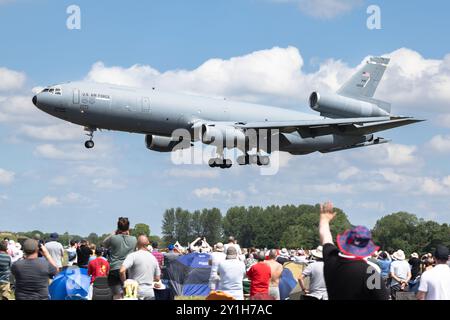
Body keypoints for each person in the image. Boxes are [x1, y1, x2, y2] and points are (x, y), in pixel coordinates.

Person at [319, 201, 388, 300]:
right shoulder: (370, 272)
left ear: (345, 243)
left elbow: (326, 238)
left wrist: (324, 220)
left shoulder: (331, 260)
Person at [103, 217, 137, 299]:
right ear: (128, 227)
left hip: (114, 269)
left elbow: (104, 243)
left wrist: (114, 233)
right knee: (128, 294)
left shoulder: (113, 238)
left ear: (118, 227)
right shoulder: (134, 239)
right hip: (128, 269)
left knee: (116, 295)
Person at [120, 235, 161, 300]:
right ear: (148, 243)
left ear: (137, 244)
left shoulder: (132, 256)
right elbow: (158, 278)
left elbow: (122, 271)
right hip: (149, 292)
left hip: (135, 291)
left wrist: (125, 283)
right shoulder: (153, 258)